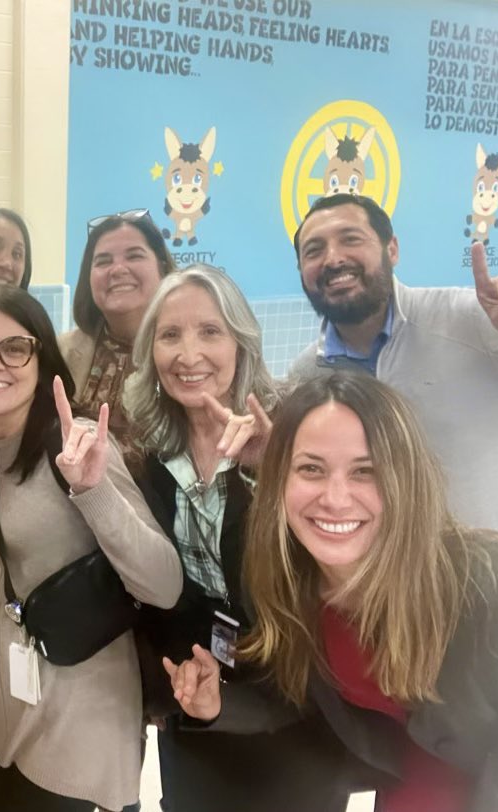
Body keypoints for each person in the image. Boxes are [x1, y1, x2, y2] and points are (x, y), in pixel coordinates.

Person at [169, 372, 498, 811]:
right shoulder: (289, 582)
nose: (336, 498)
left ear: (406, 479)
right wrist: (217, 703)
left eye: (366, 471)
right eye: (311, 469)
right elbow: (294, 695)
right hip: (416, 770)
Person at [0, 282, 182, 812]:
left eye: (15, 347)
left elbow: (163, 585)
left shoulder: (78, 445)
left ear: (41, 358)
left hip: (77, 727)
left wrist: (94, 492)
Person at [125, 267, 355, 812]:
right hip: (198, 687)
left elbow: (338, 558)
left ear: (240, 343)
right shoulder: (152, 452)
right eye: (170, 334)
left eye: (210, 331)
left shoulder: (291, 431)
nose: (189, 354)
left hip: (293, 695)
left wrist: (277, 474)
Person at [287, 193, 498, 588]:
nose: (333, 258)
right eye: (313, 250)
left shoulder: (471, 321)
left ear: (392, 249)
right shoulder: (308, 375)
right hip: (411, 600)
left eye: (351, 239)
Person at [60, 210, 175, 449]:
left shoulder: (191, 355)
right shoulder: (61, 353)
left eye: (134, 256)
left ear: (162, 269)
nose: (118, 269)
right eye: (103, 261)